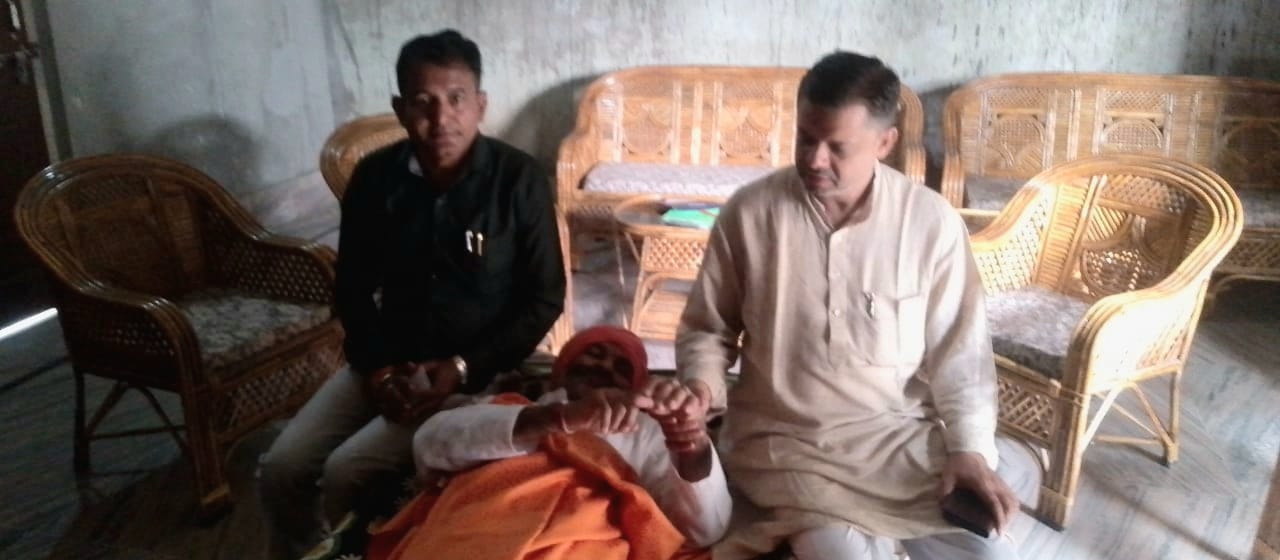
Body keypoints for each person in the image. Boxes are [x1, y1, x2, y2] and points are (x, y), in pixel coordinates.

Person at [675, 52, 1031, 559]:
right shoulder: (750, 213)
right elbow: (708, 329)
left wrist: (968, 451)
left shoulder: (930, 223)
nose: (815, 159)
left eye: (837, 147)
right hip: (785, 446)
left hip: (898, 442)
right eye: (805, 138)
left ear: (885, 143)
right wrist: (701, 387)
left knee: (991, 553)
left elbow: (963, 357)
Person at [258, 29, 565, 559]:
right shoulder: (376, 178)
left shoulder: (518, 180)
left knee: (346, 471)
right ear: (400, 109)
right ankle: (309, 552)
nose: (441, 118)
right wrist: (379, 370)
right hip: (384, 362)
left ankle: (359, 551)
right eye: (423, 102)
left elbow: (545, 297)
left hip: (476, 371)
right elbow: (352, 289)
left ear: (480, 105)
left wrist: (462, 368)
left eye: (456, 99)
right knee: (282, 467)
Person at [365, 325, 730, 559]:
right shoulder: (511, 407)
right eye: (594, 355)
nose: (604, 368)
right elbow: (429, 445)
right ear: (561, 370)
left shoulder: (650, 432)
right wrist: (560, 419)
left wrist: (691, 444)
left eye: (622, 369)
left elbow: (704, 530)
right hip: (471, 534)